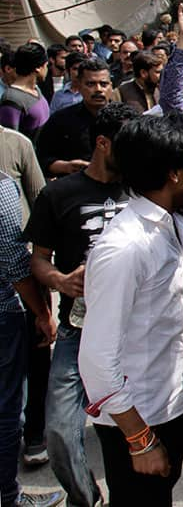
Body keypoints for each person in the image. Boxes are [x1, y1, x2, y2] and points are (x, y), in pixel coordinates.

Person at [78, 113, 183, 506]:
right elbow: (97, 361)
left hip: (169, 404)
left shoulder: (174, 224)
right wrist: (139, 439)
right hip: (135, 419)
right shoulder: (125, 247)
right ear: (173, 172)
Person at [25, 103, 136, 507]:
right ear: (103, 144)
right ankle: (86, 497)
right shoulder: (59, 194)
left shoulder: (145, 189)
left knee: (134, 430)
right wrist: (60, 280)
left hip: (138, 332)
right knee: (57, 428)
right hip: (80, 331)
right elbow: (37, 258)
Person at [0, 171, 62, 507]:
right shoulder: (0, 187)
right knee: (6, 411)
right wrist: (41, 312)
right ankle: (7, 498)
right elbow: (13, 261)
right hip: (2, 314)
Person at [35, 59, 114, 178]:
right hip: (75, 188)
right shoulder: (61, 119)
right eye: (90, 84)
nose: (98, 89)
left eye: (103, 84)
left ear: (111, 86)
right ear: (79, 86)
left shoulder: (127, 120)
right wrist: (67, 166)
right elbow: (42, 159)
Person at [0, 43, 50, 141]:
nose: (47, 69)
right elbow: (10, 142)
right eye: (46, 65)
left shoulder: (36, 90)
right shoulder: (12, 99)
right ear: (38, 68)